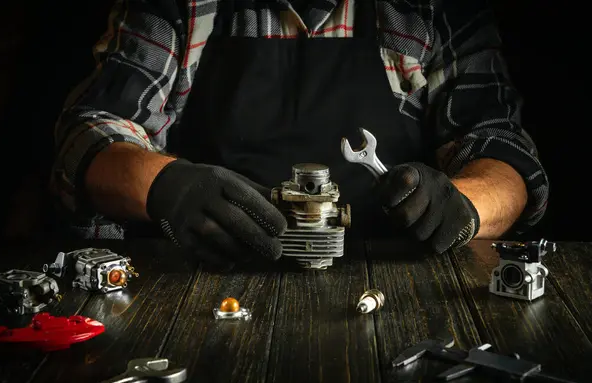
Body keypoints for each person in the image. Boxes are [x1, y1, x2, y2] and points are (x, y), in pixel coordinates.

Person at [50, 0, 549, 268]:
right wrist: (167, 187)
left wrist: (462, 205)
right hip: (203, 280)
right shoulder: (181, 6)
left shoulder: (431, 9)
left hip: (391, 292)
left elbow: (499, 146)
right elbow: (89, 134)